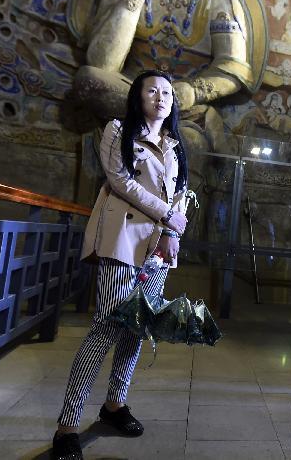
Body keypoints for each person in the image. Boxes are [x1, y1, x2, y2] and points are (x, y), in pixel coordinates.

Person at [52, 70, 190, 460]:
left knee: (137, 328)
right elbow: (120, 180)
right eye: (152, 90)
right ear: (137, 96)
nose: (161, 97)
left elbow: (180, 195)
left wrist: (173, 234)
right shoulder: (117, 130)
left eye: (167, 92)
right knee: (107, 328)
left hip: (157, 247)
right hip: (122, 241)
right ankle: (67, 425)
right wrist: (168, 215)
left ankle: (115, 404)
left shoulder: (175, 144)